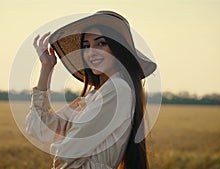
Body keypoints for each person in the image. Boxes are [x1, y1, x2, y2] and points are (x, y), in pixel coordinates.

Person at [25, 10, 157, 169]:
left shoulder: (118, 89)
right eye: (86, 46)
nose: (91, 52)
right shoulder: (94, 96)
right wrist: (46, 68)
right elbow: (40, 128)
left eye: (101, 43)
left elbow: (69, 151)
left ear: (118, 47)